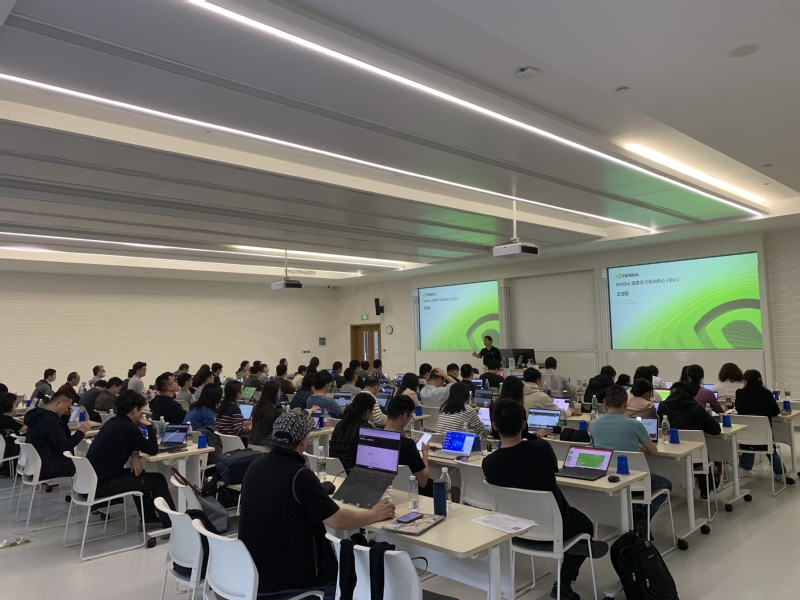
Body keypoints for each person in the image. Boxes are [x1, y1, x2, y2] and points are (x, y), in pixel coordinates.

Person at [239, 410, 395, 600]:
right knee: (349, 578)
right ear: (303, 441)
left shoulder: (254, 467)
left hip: (253, 573)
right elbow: (338, 521)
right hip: (292, 579)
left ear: (274, 436)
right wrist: (374, 514)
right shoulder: (300, 476)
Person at [483, 399, 607, 600]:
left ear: (494, 426)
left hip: (514, 529)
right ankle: (564, 582)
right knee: (585, 525)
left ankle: (576, 548)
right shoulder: (541, 449)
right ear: (524, 424)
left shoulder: (489, 463)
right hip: (555, 526)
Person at [86, 390, 176, 530]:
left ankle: (149, 519)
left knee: (139, 474)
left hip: (91, 482)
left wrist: (135, 454)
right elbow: (152, 449)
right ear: (135, 410)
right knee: (158, 480)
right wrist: (149, 426)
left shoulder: (112, 422)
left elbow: (130, 442)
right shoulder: (128, 428)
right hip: (103, 485)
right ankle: (171, 523)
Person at [589, 385, 672, 533]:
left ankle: (635, 515)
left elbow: (594, 449)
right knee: (666, 484)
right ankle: (641, 518)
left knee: (630, 490)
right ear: (626, 403)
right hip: (634, 479)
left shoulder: (593, 424)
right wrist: (640, 447)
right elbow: (653, 451)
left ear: (605, 402)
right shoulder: (635, 424)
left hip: (607, 478)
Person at [657, 382, 722, 497]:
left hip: (670, 456)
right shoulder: (696, 408)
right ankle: (707, 487)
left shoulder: (663, 407)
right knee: (700, 455)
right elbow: (716, 430)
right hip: (696, 459)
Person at [735, 369, 794, 484]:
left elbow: (738, 409)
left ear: (746, 381)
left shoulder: (740, 393)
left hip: (745, 434)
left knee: (751, 442)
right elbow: (775, 411)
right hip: (764, 434)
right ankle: (781, 473)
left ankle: (744, 468)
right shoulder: (766, 394)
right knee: (768, 446)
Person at [23, 391, 91, 480]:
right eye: (68, 406)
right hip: (48, 466)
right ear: (58, 403)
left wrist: (65, 416)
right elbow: (64, 445)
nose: (68, 409)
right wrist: (81, 432)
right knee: (87, 462)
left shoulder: (39, 416)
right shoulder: (51, 421)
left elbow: (59, 432)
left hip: (35, 463)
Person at [385, 394, 432, 496]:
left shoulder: (374, 437)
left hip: (385, 488)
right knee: (449, 488)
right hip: (411, 492)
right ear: (404, 416)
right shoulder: (407, 445)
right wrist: (425, 453)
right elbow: (423, 482)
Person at [329, 393, 376, 472]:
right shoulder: (365, 428)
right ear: (367, 411)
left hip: (333, 471)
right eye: (372, 411)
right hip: (351, 472)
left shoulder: (341, 424)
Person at [248, 382, 284, 452]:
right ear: (276, 393)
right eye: (279, 391)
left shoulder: (257, 407)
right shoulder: (277, 409)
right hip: (266, 447)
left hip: (251, 444)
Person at [1, 393, 26, 463]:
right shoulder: (6, 419)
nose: (16, 405)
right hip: (7, 448)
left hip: (3, 445)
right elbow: (24, 429)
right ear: (9, 404)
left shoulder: (3, 416)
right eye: (15, 403)